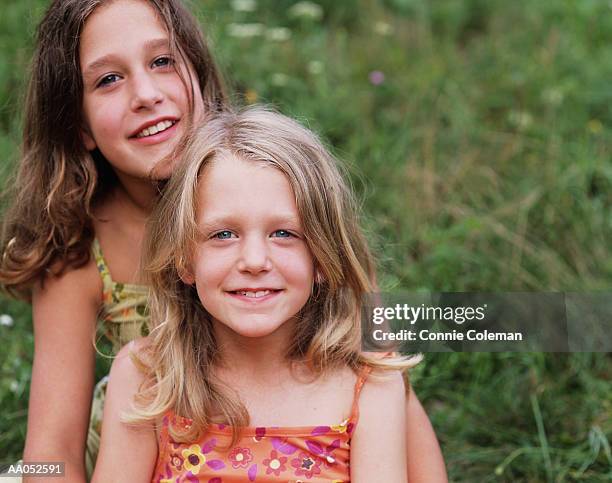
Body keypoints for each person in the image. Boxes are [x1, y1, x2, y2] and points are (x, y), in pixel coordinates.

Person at [93, 106, 444, 482]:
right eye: (223, 235)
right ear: (185, 260)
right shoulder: (148, 377)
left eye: (284, 234)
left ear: (322, 259)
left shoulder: (369, 387)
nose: (255, 261)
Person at [0, 0, 225, 479]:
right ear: (79, 126)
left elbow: (383, 362)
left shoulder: (282, 195)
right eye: (108, 79)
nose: (145, 94)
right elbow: (50, 448)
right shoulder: (79, 250)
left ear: (200, 77)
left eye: (162, 61)